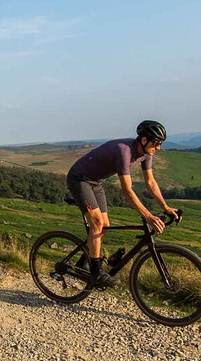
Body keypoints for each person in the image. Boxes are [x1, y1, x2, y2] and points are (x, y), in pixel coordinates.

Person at [65, 120, 180, 288]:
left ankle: (83, 264)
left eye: (160, 144)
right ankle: (96, 274)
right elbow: (127, 191)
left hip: (96, 182)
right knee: (97, 223)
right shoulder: (124, 151)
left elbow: (151, 182)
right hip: (79, 179)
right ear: (143, 140)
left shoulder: (147, 154)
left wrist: (166, 207)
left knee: (104, 226)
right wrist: (148, 216)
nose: (158, 148)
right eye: (156, 143)